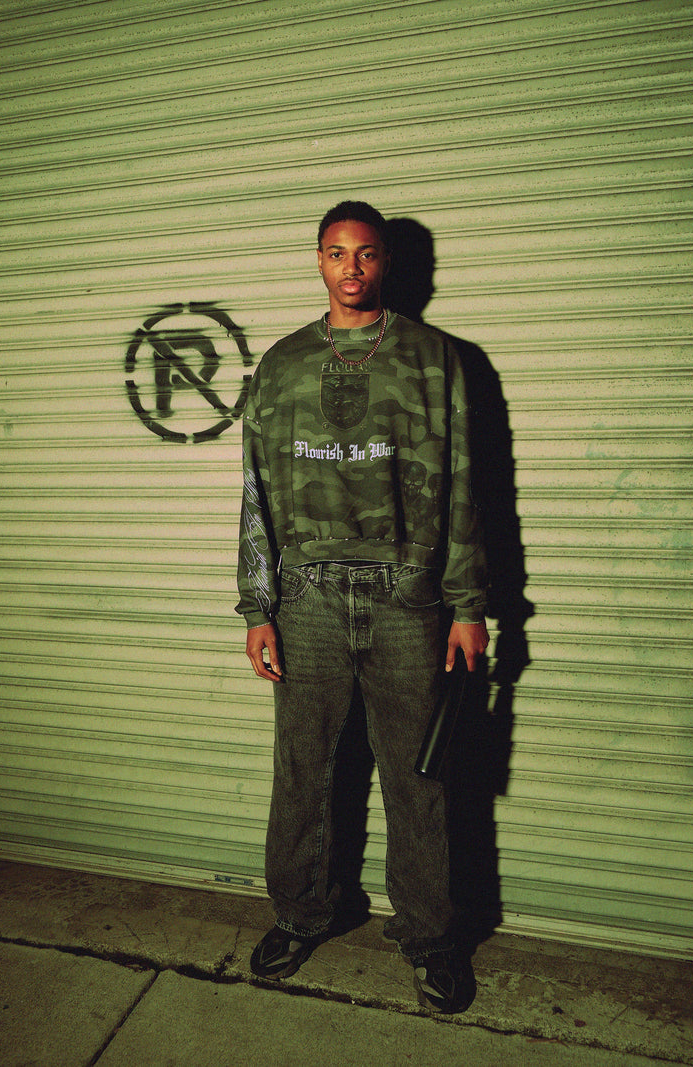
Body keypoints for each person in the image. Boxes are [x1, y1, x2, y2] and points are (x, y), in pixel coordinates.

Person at [235, 201, 489, 1014]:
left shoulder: (434, 357)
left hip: (408, 595)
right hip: (307, 594)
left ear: (386, 262)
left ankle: (430, 936)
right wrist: (257, 606)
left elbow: (464, 481)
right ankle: (300, 913)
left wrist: (468, 602)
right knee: (302, 770)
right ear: (318, 260)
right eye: (337, 252)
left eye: (367, 253)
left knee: (420, 778)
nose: (352, 267)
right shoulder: (281, 364)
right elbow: (254, 491)